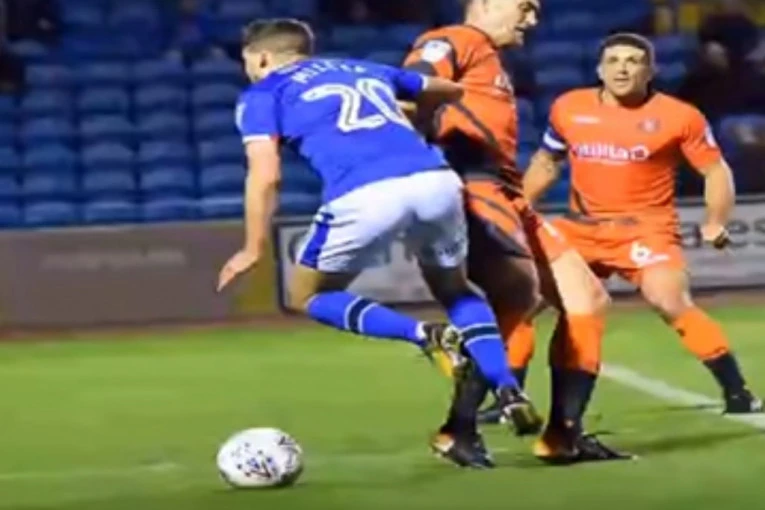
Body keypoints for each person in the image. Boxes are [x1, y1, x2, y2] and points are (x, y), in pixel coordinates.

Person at [215, 18, 542, 469]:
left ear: (262, 57)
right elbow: (450, 89)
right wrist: (408, 114)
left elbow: (265, 175)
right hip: (435, 180)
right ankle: (507, 388)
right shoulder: (360, 68)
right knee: (455, 288)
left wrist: (252, 246)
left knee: (307, 295)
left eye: (247, 62)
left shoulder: (262, 94)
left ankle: (424, 335)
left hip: (365, 192)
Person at [518, 32, 763, 461]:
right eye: (613, 60)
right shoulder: (568, 107)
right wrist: (517, 209)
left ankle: (736, 390)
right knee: (523, 301)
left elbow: (715, 170)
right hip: (580, 227)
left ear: (650, 70)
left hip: (645, 230)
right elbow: (545, 161)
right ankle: (504, 396)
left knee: (669, 299)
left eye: (633, 61)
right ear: (599, 69)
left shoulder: (679, 116)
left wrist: (715, 221)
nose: (622, 68)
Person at [402, 0, 615, 461]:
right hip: (473, 184)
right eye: (525, 6)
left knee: (586, 300)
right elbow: (407, 90)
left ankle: (562, 436)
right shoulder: (455, 39)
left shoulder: (489, 57)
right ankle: (459, 429)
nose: (532, 20)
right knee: (516, 298)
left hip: (506, 191)